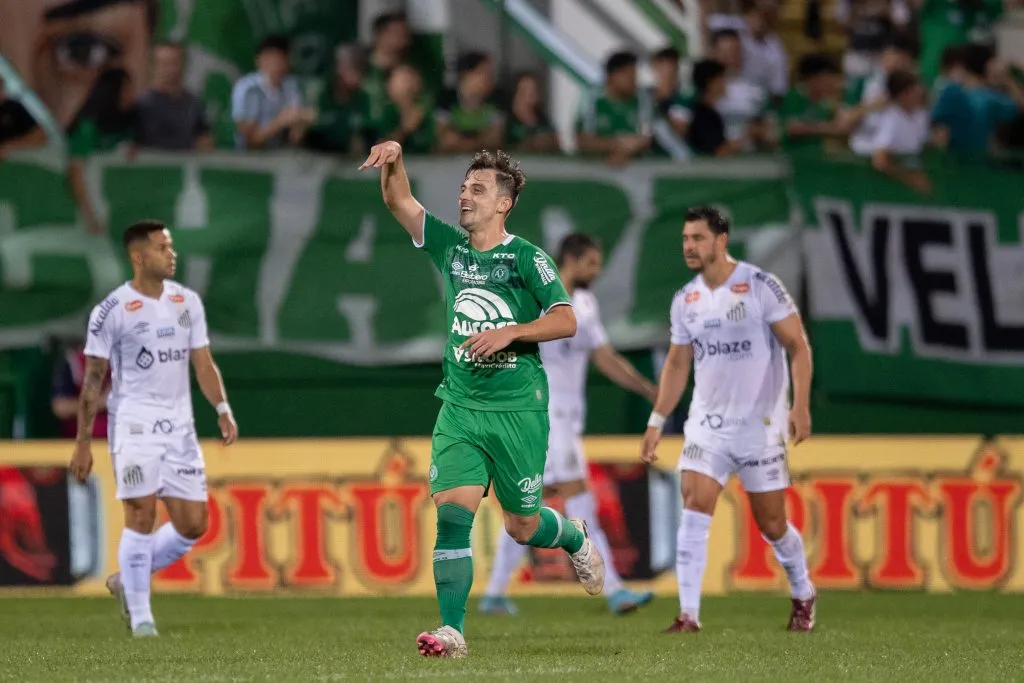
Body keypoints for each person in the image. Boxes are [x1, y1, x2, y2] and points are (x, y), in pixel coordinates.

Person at [359, 141, 605, 658]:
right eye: (463, 187)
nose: (464, 196)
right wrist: (397, 158)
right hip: (461, 405)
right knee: (452, 513)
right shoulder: (451, 246)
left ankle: (574, 537)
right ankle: (452, 632)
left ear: (503, 203)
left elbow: (565, 319)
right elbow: (399, 202)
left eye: (477, 189)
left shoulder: (527, 258)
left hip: (518, 408)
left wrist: (512, 331)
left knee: (522, 525)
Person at [639, 206, 816, 633]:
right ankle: (688, 614)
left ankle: (804, 591)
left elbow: (799, 346)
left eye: (697, 238)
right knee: (694, 506)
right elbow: (678, 364)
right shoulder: (686, 300)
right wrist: (657, 419)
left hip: (760, 426)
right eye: (684, 239)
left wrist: (800, 405)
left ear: (721, 240)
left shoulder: (759, 286)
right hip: (707, 425)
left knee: (772, 524)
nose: (689, 246)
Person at [68, 219, 238, 637]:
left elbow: (202, 361)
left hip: (179, 427)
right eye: (163, 247)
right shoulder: (111, 310)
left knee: (193, 525)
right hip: (134, 425)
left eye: (171, 246)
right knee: (140, 514)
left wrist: (222, 406)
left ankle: (127, 578)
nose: (171, 253)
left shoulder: (187, 302)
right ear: (138, 256)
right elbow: (93, 380)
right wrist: (82, 443)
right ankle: (142, 618)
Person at [480, 233, 657, 616]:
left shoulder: (585, 304)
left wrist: (646, 389)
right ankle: (615, 590)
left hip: (563, 421)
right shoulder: (536, 295)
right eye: (592, 262)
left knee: (527, 505)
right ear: (572, 260)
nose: (597, 270)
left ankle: (494, 593)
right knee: (581, 502)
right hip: (544, 415)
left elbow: (605, 358)